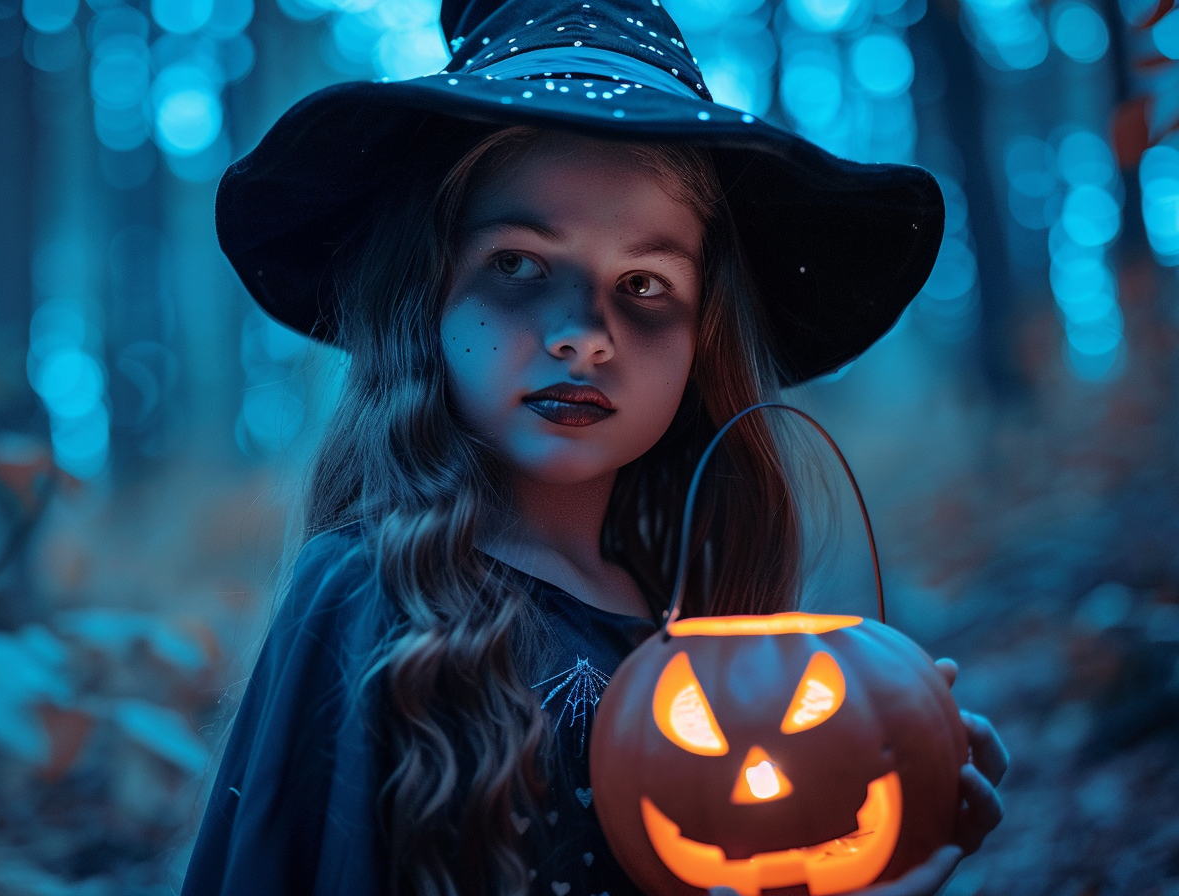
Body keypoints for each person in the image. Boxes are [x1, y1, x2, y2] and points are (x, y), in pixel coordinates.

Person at [181, 1, 1009, 894]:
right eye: (517, 264)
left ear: (703, 344)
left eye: (645, 283)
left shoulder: (700, 623)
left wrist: (895, 771)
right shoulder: (365, 595)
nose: (583, 334)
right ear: (428, 299)